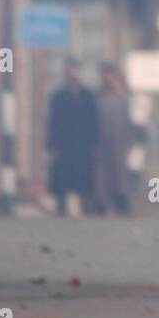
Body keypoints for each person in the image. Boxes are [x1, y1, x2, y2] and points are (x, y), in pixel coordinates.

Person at [46, 57, 99, 217]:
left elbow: (94, 121)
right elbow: (53, 122)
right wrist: (52, 144)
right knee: (62, 177)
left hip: (83, 144)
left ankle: (86, 208)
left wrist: (95, 144)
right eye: (69, 70)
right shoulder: (58, 97)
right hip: (64, 144)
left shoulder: (88, 96)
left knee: (84, 177)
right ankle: (60, 208)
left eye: (74, 70)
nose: (72, 73)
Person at [94, 63, 135, 216]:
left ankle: (122, 204)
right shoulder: (97, 97)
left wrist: (130, 142)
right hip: (102, 143)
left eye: (110, 75)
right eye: (105, 75)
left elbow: (130, 122)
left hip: (120, 144)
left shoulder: (123, 99)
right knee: (103, 176)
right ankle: (103, 205)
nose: (108, 78)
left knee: (121, 175)